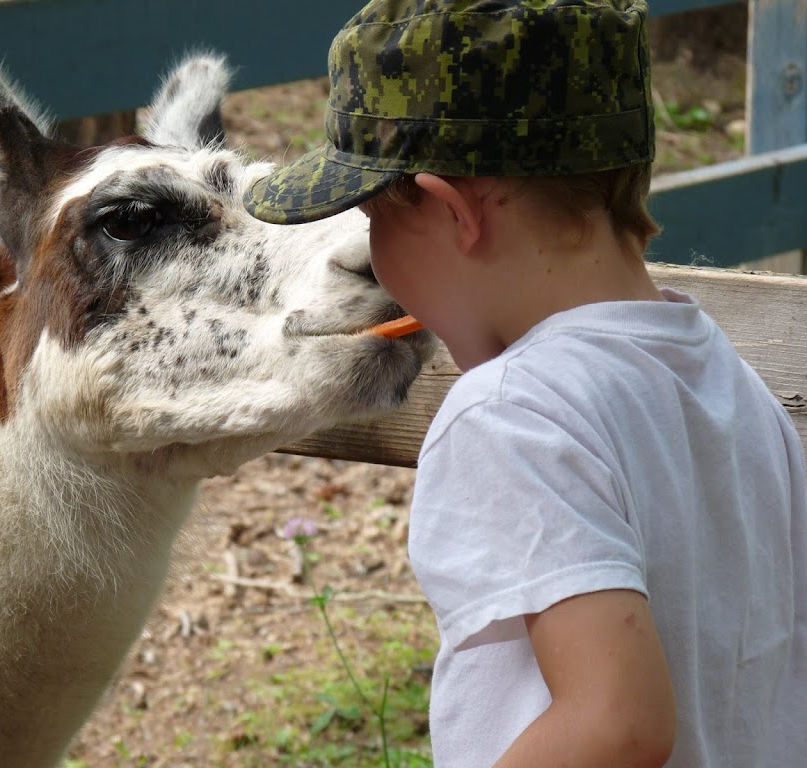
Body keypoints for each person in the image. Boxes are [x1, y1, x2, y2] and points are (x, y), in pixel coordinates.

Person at [244, 1, 807, 766]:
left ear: (452, 212)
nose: (372, 260)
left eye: (370, 215)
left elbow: (618, 723)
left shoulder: (512, 414)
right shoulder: (730, 385)